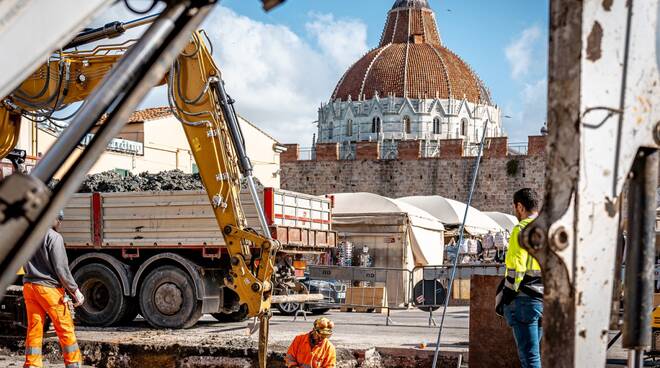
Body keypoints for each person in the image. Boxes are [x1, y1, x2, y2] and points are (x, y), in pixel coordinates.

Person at [22, 210, 85, 368]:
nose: (60, 223)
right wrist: (75, 290)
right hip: (48, 289)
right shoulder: (54, 237)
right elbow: (61, 269)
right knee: (65, 328)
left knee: (34, 328)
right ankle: (73, 364)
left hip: (29, 287)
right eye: (59, 219)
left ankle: (32, 365)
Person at [503, 188, 544, 368]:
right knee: (535, 355)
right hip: (543, 300)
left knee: (529, 358)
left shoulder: (520, 229)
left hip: (525, 301)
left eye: (515, 208)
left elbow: (516, 270)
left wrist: (507, 296)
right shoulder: (548, 229)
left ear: (520, 206)